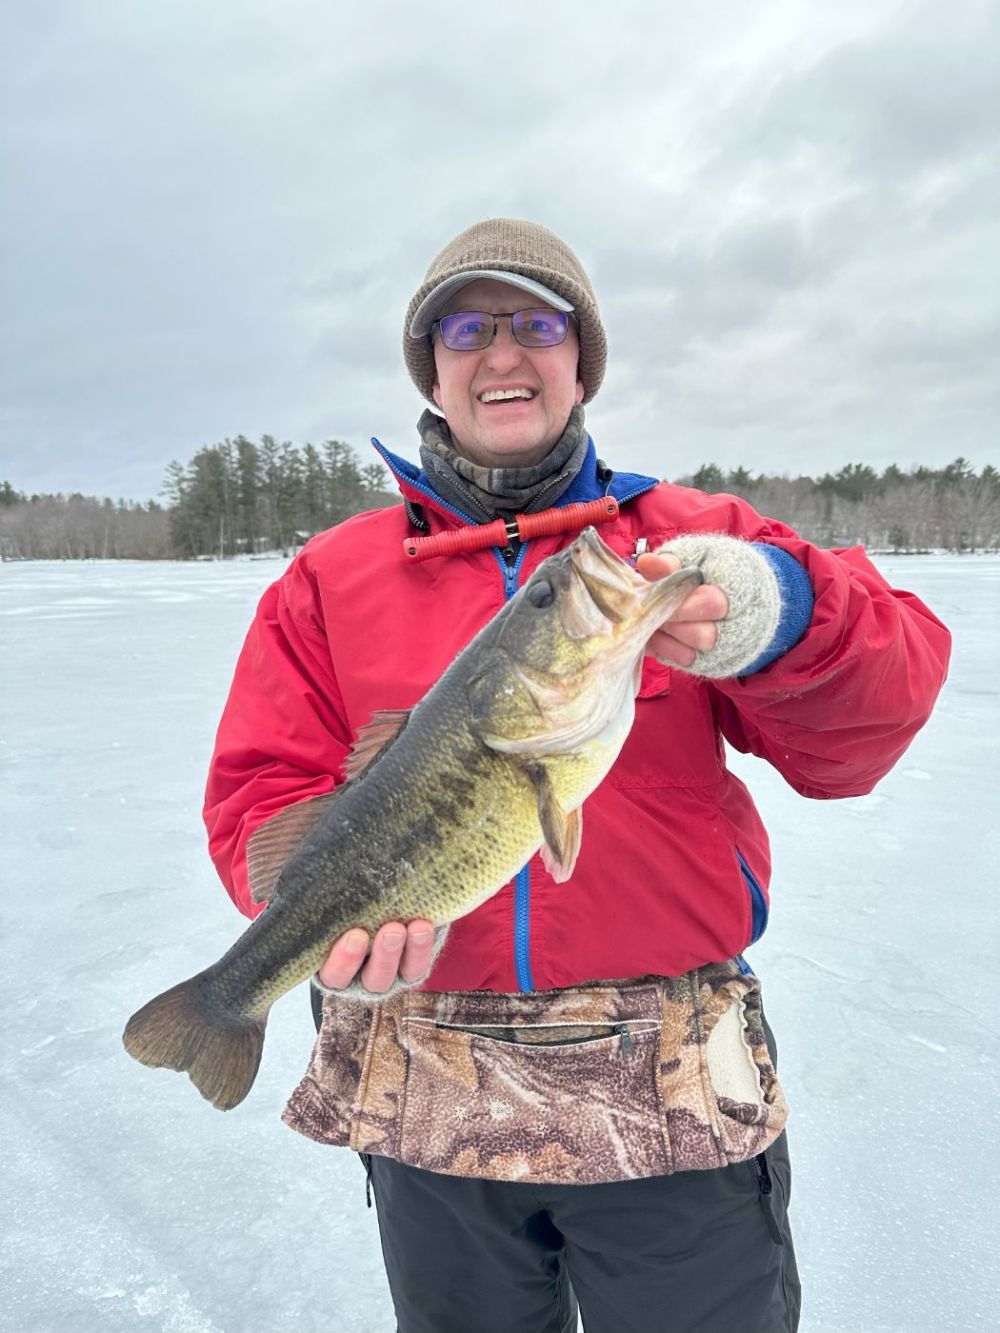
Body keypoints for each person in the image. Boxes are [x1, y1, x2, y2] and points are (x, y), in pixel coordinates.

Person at [203, 218, 950, 1332]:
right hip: (426, 1085)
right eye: (467, 326)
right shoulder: (327, 578)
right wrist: (319, 927)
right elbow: (264, 790)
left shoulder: (677, 546)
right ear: (433, 365)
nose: (502, 352)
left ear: (580, 357)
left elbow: (870, 722)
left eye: (536, 324)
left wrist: (777, 609)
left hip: (672, 1093)